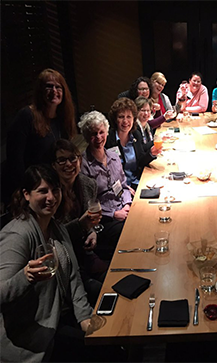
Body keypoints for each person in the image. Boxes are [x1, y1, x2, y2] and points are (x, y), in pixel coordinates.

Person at [0, 165, 92, 362]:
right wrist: (25, 277)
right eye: (43, 191)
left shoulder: (56, 227)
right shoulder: (17, 235)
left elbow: (73, 278)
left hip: (61, 317)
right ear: (26, 195)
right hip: (34, 334)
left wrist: (85, 318)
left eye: (55, 190)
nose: (51, 197)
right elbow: (2, 291)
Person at [2, 68, 77, 204]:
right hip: (34, 191)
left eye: (58, 87)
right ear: (40, 91)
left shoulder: (63, 118)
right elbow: (15, 162)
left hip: (54, 187)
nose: (54, 91)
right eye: (49, 86)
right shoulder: (26, 116)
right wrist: (27, 194)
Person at [51, 140, 107, 300]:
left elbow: (91, 223)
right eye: (62, 160)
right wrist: (81, 225)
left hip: (87, 253)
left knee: (118, 277)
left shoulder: (87, 184)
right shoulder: (51, 194)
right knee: (105, 292)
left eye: (72, 158)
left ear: (79, 160)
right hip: (67, 262)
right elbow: (53, 237)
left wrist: (92, 232)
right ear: (53, 165)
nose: (68, 164)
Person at [79, 111, 132, 258]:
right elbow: (88, 202)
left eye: (101, 132)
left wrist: (127, 204)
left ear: (107, 133)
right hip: (104, 220)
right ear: (86, 136)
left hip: (123, 208)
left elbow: (123, 184)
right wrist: (114, 214)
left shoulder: (113, 156)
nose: (98, 138)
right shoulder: (83, 165)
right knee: (130, 231)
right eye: (93, 134)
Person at [105, 98, 162, 191]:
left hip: (137, 183)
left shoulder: (135, 135)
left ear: (134, 118)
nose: (125, 121)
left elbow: (140, 162)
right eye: (121, 117)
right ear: (115, 119)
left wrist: (151, 154)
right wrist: (124, 189)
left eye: (129, 117)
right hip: (120, 189)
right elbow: (108, 174)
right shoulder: (109, 140)